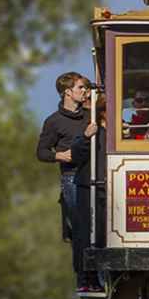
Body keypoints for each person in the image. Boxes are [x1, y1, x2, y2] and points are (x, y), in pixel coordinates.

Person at [36, 71, 89, 243]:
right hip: (71, 178)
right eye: (80, 87)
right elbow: (41, 152)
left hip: (93, 176)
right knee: (79, 230)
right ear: (67, 91)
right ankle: (81, 269)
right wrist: (60, 156)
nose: (85, 91)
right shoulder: (53, 121)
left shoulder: (91, 116)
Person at [71, 93, 106, 293]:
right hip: (88, 185)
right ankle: (85, 279)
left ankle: (97, 277)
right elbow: (75, 154)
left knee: (101, 233)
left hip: (107, 186)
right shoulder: (91, 129)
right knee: (85, 233)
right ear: (103, 113)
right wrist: (86, 136)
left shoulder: (116, 133)